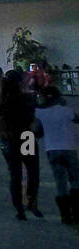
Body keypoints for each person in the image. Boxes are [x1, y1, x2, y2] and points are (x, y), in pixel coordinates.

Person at [0, 69, 42, 220]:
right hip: (26, 137)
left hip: (8, 139)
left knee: (15, 174)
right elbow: (36, 116)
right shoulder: (28, 98)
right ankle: (31, 200)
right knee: (32, 172)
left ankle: (19, 209)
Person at [34, 85, 79, 223]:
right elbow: (77, 118)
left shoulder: (40, 113)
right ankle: (76, 211)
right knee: (75, 180)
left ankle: (65, 215)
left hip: (52, 149)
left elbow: (37, 131)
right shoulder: (66, 111)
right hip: (69, 148)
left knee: (60, 181)